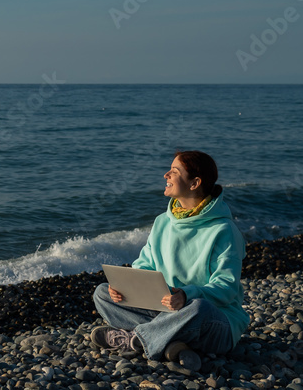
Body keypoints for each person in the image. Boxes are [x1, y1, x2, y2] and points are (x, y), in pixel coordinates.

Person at [91, 150, 248, 371]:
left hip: (215, 321)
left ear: (194, 183)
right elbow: (145, 264)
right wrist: (126, 287)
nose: (166, 174)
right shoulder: (163, 222)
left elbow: (227, 288)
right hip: (166, 310)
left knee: (198, 308)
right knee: (102, 293)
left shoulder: (224, 230)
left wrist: (186, 295)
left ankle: (136, 340)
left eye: (174, 171)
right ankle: (170, 342)